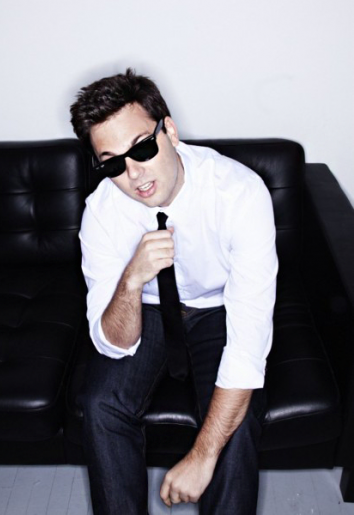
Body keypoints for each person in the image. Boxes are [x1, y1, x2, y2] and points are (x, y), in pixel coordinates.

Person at [70, 68, 278, 515]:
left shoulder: (239, 194)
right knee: (100, 404)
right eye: (112, 163)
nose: (134, 173)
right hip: (147, 308)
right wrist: (132, 278)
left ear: (170, 131)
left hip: (217, 307)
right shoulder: (102, 212)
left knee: (236, 421)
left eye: (142, 147)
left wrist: (202, 457)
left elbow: (247, 349)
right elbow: (112, 342)